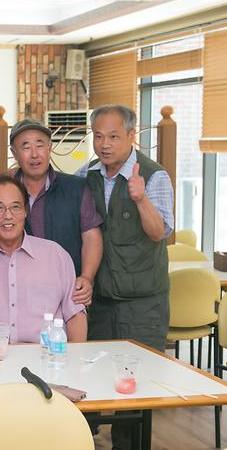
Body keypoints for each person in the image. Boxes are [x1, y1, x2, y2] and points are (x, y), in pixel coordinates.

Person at [75, 104, 174, 351]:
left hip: (143, 306)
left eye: (113, 136)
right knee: (97, 377)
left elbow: (159, 232)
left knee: (143, 379)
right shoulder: (86, 175)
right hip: (99, 304)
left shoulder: (154, 175)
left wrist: (141, 199)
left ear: (132, 135)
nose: (104, 144)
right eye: (98, 136)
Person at [0, 175, 87, 343]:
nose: (8, 216)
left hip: (46, 357)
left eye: (16, 207)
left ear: (26, 210)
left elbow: (75, 314)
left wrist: (75, 360)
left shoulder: (55, 254)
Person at [9, 118, 103, 306]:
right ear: (14, 153)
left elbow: (91, 237)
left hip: (66, 293)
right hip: (15, 293)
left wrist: (87, 277)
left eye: (40, 145)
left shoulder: (76, 188)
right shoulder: (3, 190)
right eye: (26, 147)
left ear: (50, 148)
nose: (34, 154)